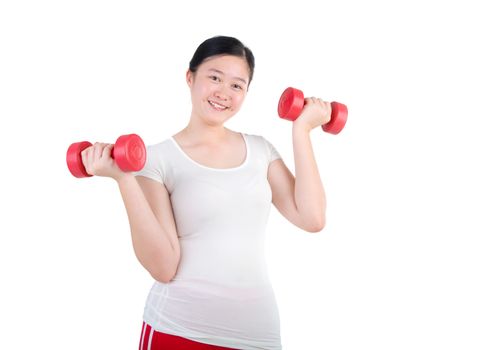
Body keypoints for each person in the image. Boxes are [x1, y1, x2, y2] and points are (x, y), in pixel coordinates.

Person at [81, 35, 331, 350]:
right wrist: (125, 179)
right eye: (214, 78)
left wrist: (302, 130)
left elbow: (312, 217)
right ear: (190, 77)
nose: (223, 93)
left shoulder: (260, 151)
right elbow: (163, 266)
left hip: (258, 334)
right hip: (180, 330)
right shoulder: (156, 159)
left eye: (237, 86)